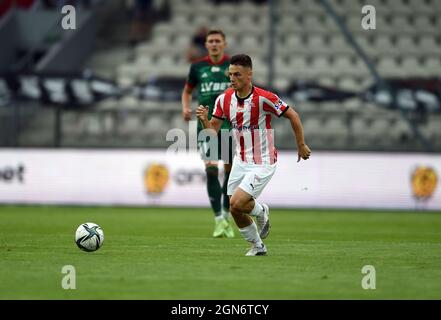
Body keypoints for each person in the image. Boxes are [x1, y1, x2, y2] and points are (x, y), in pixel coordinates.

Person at [196, 54, 311, 256]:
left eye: (237, 74)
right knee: (235, 209)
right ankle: (258, 246)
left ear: (249, 75)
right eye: (230, 74)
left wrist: (300, 144)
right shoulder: (224, 99)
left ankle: (260, 211)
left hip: (263, 161)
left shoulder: (265, 98)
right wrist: (205, 121)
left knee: (236, 202)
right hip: (241, 160)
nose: (232, 78)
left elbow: (293, 115)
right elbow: (213, 132)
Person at [181, 29, 235, 238]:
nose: (214, 44)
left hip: (229, 124)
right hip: (206, 124)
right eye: (210, 41)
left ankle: (227, 215)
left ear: (224, 43)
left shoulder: (232, 66)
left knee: (230, 175)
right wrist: (185, 108)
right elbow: (187, 91)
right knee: (211, 170)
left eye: (217, 41)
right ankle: (218, 220)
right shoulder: (198, 67)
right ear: (206, 44)